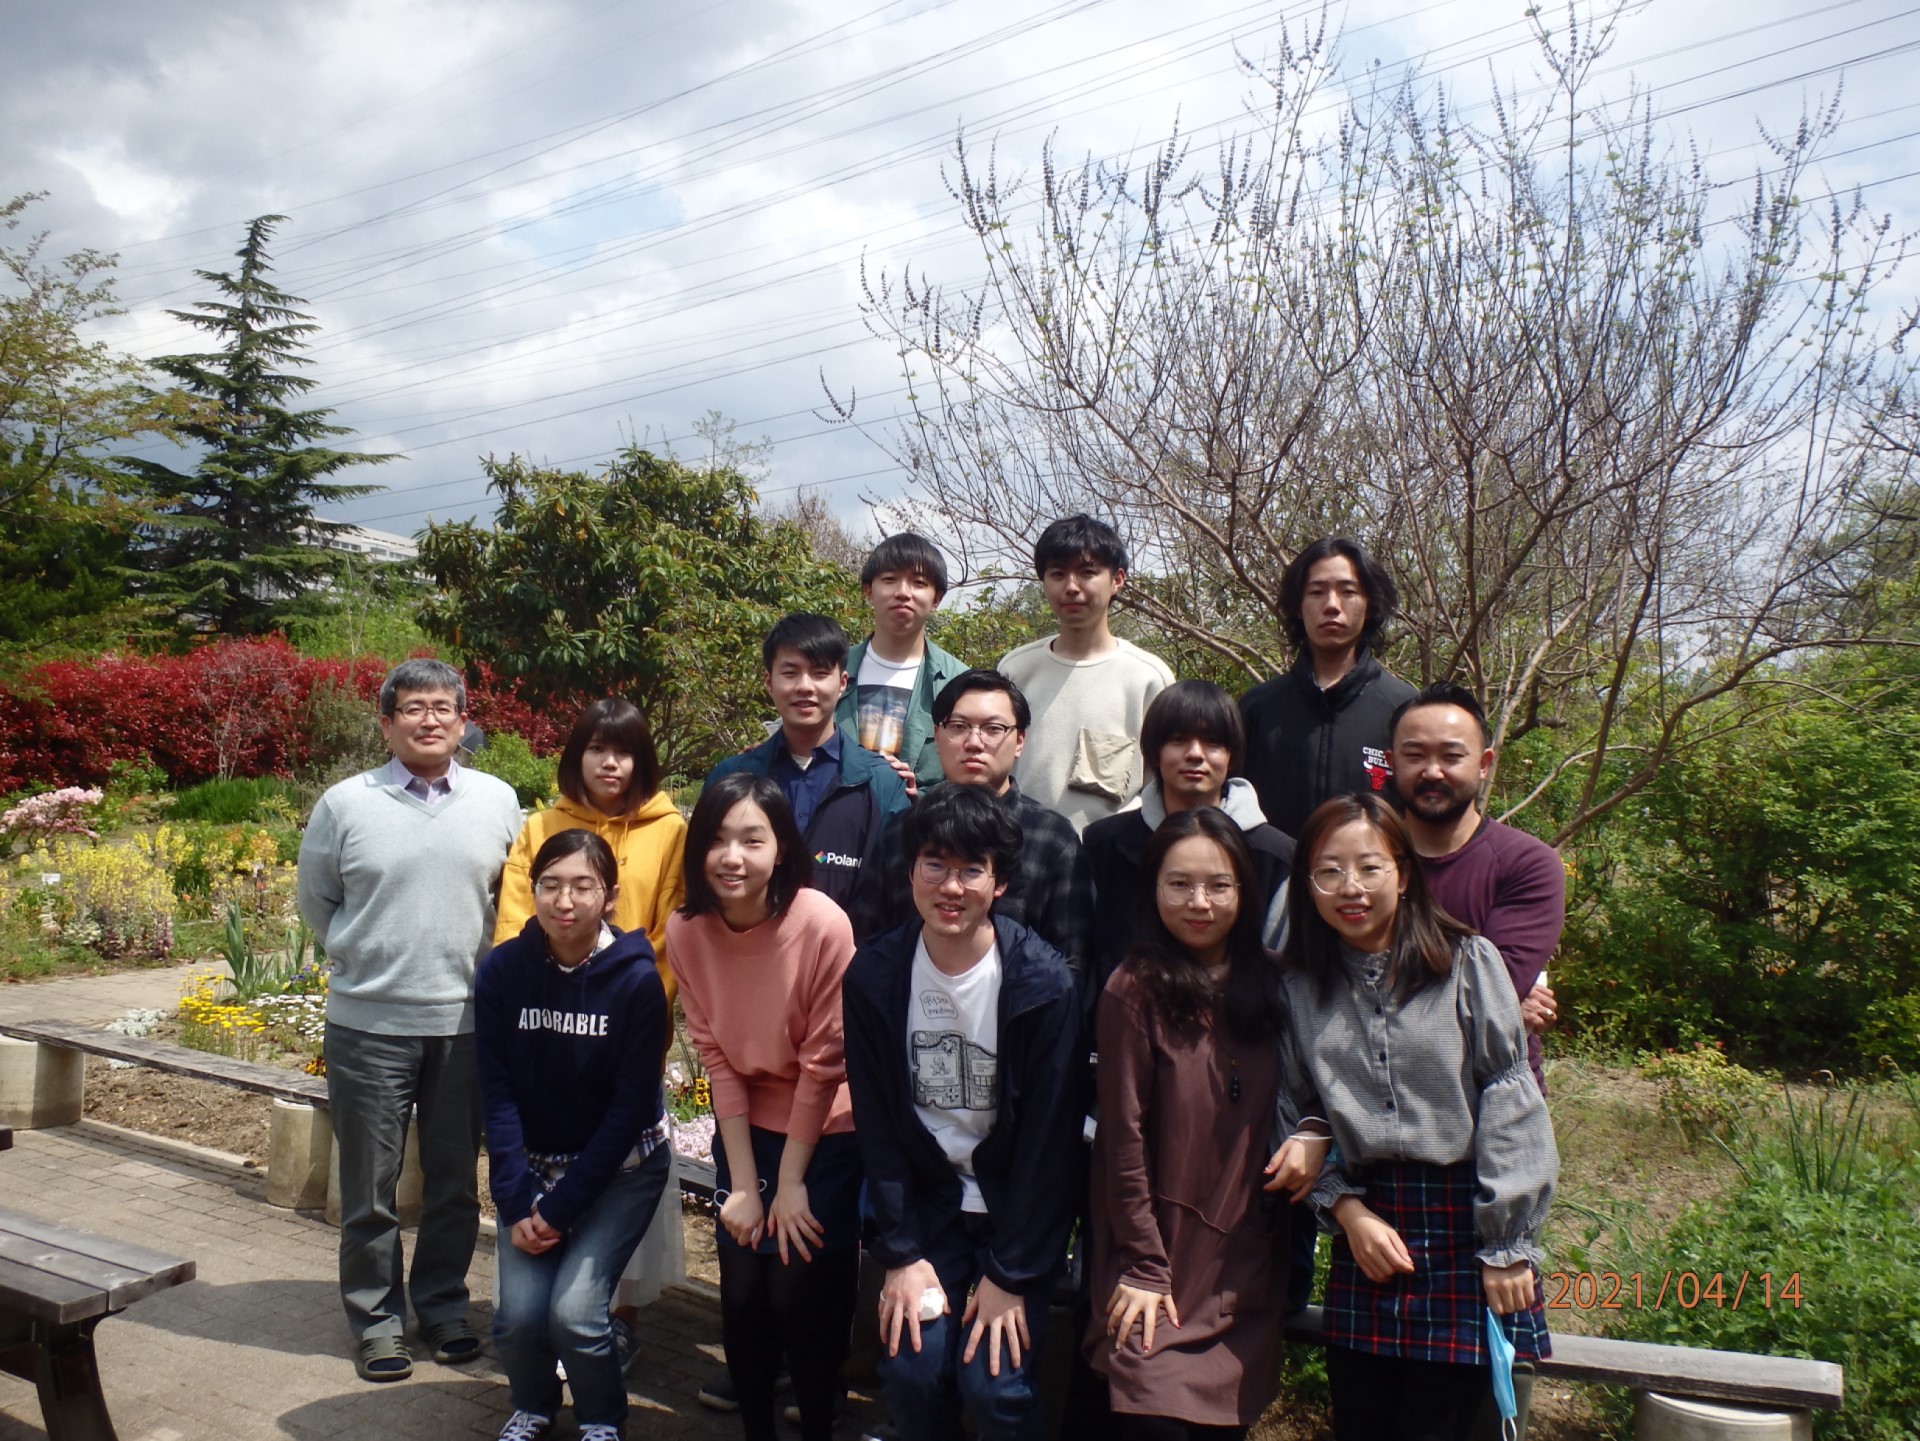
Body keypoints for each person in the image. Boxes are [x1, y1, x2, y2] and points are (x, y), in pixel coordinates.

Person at [1271, 793, 1557, 1439]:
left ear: (1402, 873)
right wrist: (1348, 1214)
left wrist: (1507, 1246)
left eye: (1369, 867)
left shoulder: (1467, 962)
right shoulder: (1299, 987)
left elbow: (1509, 1097)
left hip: (1469, 1223)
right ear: (1307, 885)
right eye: (1329, 871)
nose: (1351, 887)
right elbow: (1288, 1109)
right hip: (1369, 1232)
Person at [296, 658, 524, 1383]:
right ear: (387, 722)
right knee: (371, 1185)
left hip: (466, 1024)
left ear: (463, 721)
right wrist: (365, 958)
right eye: (413, 708)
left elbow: (511, 901)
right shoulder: (345, 804)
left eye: (442, 707)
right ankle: (377, 1320)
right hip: (368, 1027)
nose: (429, 720)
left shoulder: (498, 800)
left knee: (455, 1182)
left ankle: (444, 1306)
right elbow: (317, 901)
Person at [843, 785, 1085, 1441]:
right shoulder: (874, 977)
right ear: (910, 872)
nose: (951, 887)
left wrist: (1011, 1274)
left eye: (971, 869)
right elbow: (878, 1127)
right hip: (928, 1209)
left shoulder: (1042, 984)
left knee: (995, 1384)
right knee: (912, 1373)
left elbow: (1050, 1145)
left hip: (1014, 1215)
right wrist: (901, 1252)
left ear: (999, 882)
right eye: (935, 865)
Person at [1088, 809, 1294, 1440]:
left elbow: (1317, 1092)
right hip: (1155, 1256)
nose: (1199, 902)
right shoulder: (1133, 989)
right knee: (1152, 1412)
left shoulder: (1278, 984)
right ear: (1153, 889)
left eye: (1218, 885)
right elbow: (1121, 1139)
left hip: (1243, 1261)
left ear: (1245, 890)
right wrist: (1144, 1264)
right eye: (1179, 884)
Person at [669, 772, 863, 1441]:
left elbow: (823, 1065)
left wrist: (789, 1184)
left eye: (752, 839)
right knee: (744, 1290)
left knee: (795, 1290)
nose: (733, 856)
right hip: (745, 1126)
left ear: (781, 849)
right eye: (717, 839)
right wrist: (748, 1186)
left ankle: (818, 1417)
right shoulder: (687, 930)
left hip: (825, 1130)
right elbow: (718, 1061)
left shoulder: (822, 924)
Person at [492, 696, 687, 1355]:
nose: (610, 762)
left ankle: (616, 1318)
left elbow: (669, 932)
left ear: (642, 759)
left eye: (624, 750)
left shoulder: (669, 831)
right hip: (542, 1029)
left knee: (622, 1162)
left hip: (626, 1033)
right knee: (546, 1159)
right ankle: (548, 1310)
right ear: (576, 756)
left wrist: (636, 1015)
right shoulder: (542, 825)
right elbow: (513, 923)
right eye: (596, 748)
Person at [475, 830, 673, 1441]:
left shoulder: (636, 982)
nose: (565, 901)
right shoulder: (503, 971)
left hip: (622, 1170)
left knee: (575, 1316)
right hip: (533, 1167)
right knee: (517, 1318)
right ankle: (533, 1406)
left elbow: (629, 1110)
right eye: (551, 885)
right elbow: (496, 1091)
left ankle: (601, 1419)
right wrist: (516, 1200)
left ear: (609, 896)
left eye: (583, 886)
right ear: (532, 889)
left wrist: (560, 1210)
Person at [848, 669, 1093, 985]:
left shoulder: (1053, 839)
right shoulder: (901, 831)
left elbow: (1073, 964)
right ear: (937, 736)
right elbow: (867, 943)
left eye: (993, 729)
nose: (974, 742)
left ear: (1020, 740)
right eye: (959, 727)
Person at [1389, 683, 1564, 1092]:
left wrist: (1501, 1002)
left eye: (1452, 756)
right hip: (1373, 1090)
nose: (1432, 772)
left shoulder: (1527, 864)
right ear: (1391, 762)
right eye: (1414, 755)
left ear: (1484, 763)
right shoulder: (1360, 859)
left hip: (1494, 1096)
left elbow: (1492, 998)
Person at [1082, 680, 1295, 996]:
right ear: (1155, 751)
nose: (1195, 754)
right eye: (1178, 740)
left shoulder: (1275, 856)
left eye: (1212, 742)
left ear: (1232, 754)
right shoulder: (1104, 845)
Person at [705, 612, 910, 910]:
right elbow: (702, 883)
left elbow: (899, 901)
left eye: (819, 673)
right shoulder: (730, 777)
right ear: (768, 682)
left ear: (842, 683)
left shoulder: (883, 784)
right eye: (790, 673)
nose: (805, 686)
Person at [998, 515, 1174, 833]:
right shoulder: (1015, 669)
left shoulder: (1148, 677)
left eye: (1087, 573)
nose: (1071, 587)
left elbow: (1162, 783)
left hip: (1112, 852)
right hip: (1021, 845)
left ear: (1117, 579)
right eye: (1057, 574)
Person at [1238, 537, 1418, 839]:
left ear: (1370, 605)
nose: (1332, 605)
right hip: (1274, 870)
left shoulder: (1404, 710)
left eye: (1348, 592)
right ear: (1297, 607)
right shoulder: (1257, 708)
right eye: (1317, 592)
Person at [835, 532, 970, 796]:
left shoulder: (960, 682)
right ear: (868, 591)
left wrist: (921, 799)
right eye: (889, 579)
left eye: (919, 583)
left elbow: (971, 775)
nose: (903, 593)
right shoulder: (831, 670)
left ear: (936, 599)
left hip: (925, 820)